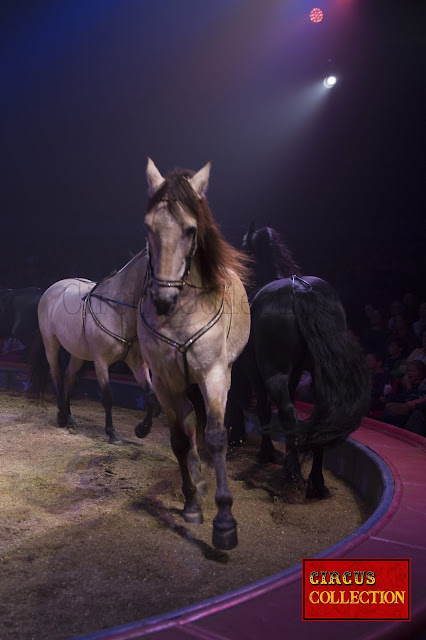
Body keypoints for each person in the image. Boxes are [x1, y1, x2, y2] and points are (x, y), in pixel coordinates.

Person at [382, 361, 426, 429]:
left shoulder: (423, 385)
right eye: (408, 371)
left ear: (420, 372)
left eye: (413, 371)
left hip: (415, 411)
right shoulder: (407, 383)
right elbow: (402, 397)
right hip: (404, 409)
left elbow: (413, 402)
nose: (409, 373)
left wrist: (409, 387)